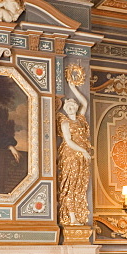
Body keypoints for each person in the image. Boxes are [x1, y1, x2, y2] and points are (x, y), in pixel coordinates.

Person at [57, 93, 91, 226]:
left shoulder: (81, 120)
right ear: (65, 109)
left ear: (76, 107)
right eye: (68, 106)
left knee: (80, 186)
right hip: (71, 156)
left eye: (72, 105)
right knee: (71, 185)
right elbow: (69, 141)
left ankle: (76, 215)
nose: (70, 108)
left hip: (82, 157)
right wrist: (83, 151)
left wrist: (72, 86)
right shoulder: (65, 123)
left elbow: (85, 102)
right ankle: (72, 218)